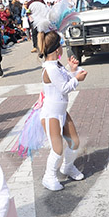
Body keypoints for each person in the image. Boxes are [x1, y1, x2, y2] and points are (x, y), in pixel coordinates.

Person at [37, 31, 86, 190]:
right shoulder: (50, 69)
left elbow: (65, 79)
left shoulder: (55, 65)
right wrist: (77, 79)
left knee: (74, 142)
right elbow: (64, 88)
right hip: (51, 114)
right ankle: (48, 176)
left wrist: (72, 69)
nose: (62, 48)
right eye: (61, 45)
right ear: (57, 49)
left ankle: (68, 166)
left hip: (62, 111)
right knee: (57, 149)